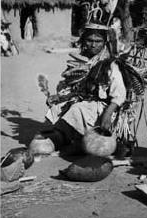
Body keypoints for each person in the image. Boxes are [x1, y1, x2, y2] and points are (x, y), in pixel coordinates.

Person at [30, 24, 126, 154]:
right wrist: (59, 97)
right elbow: (75, 87)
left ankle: (79, 140)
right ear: (83, 41)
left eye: (98, 41)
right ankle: (64, 137)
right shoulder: (83, 61)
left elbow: (119, 95)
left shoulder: (110, 65)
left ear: (104, 42)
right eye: (89, 40)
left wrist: (107, 115)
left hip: (103, 106)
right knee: (58, 107)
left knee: (77, 109)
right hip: (84, 100)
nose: (93, 45)